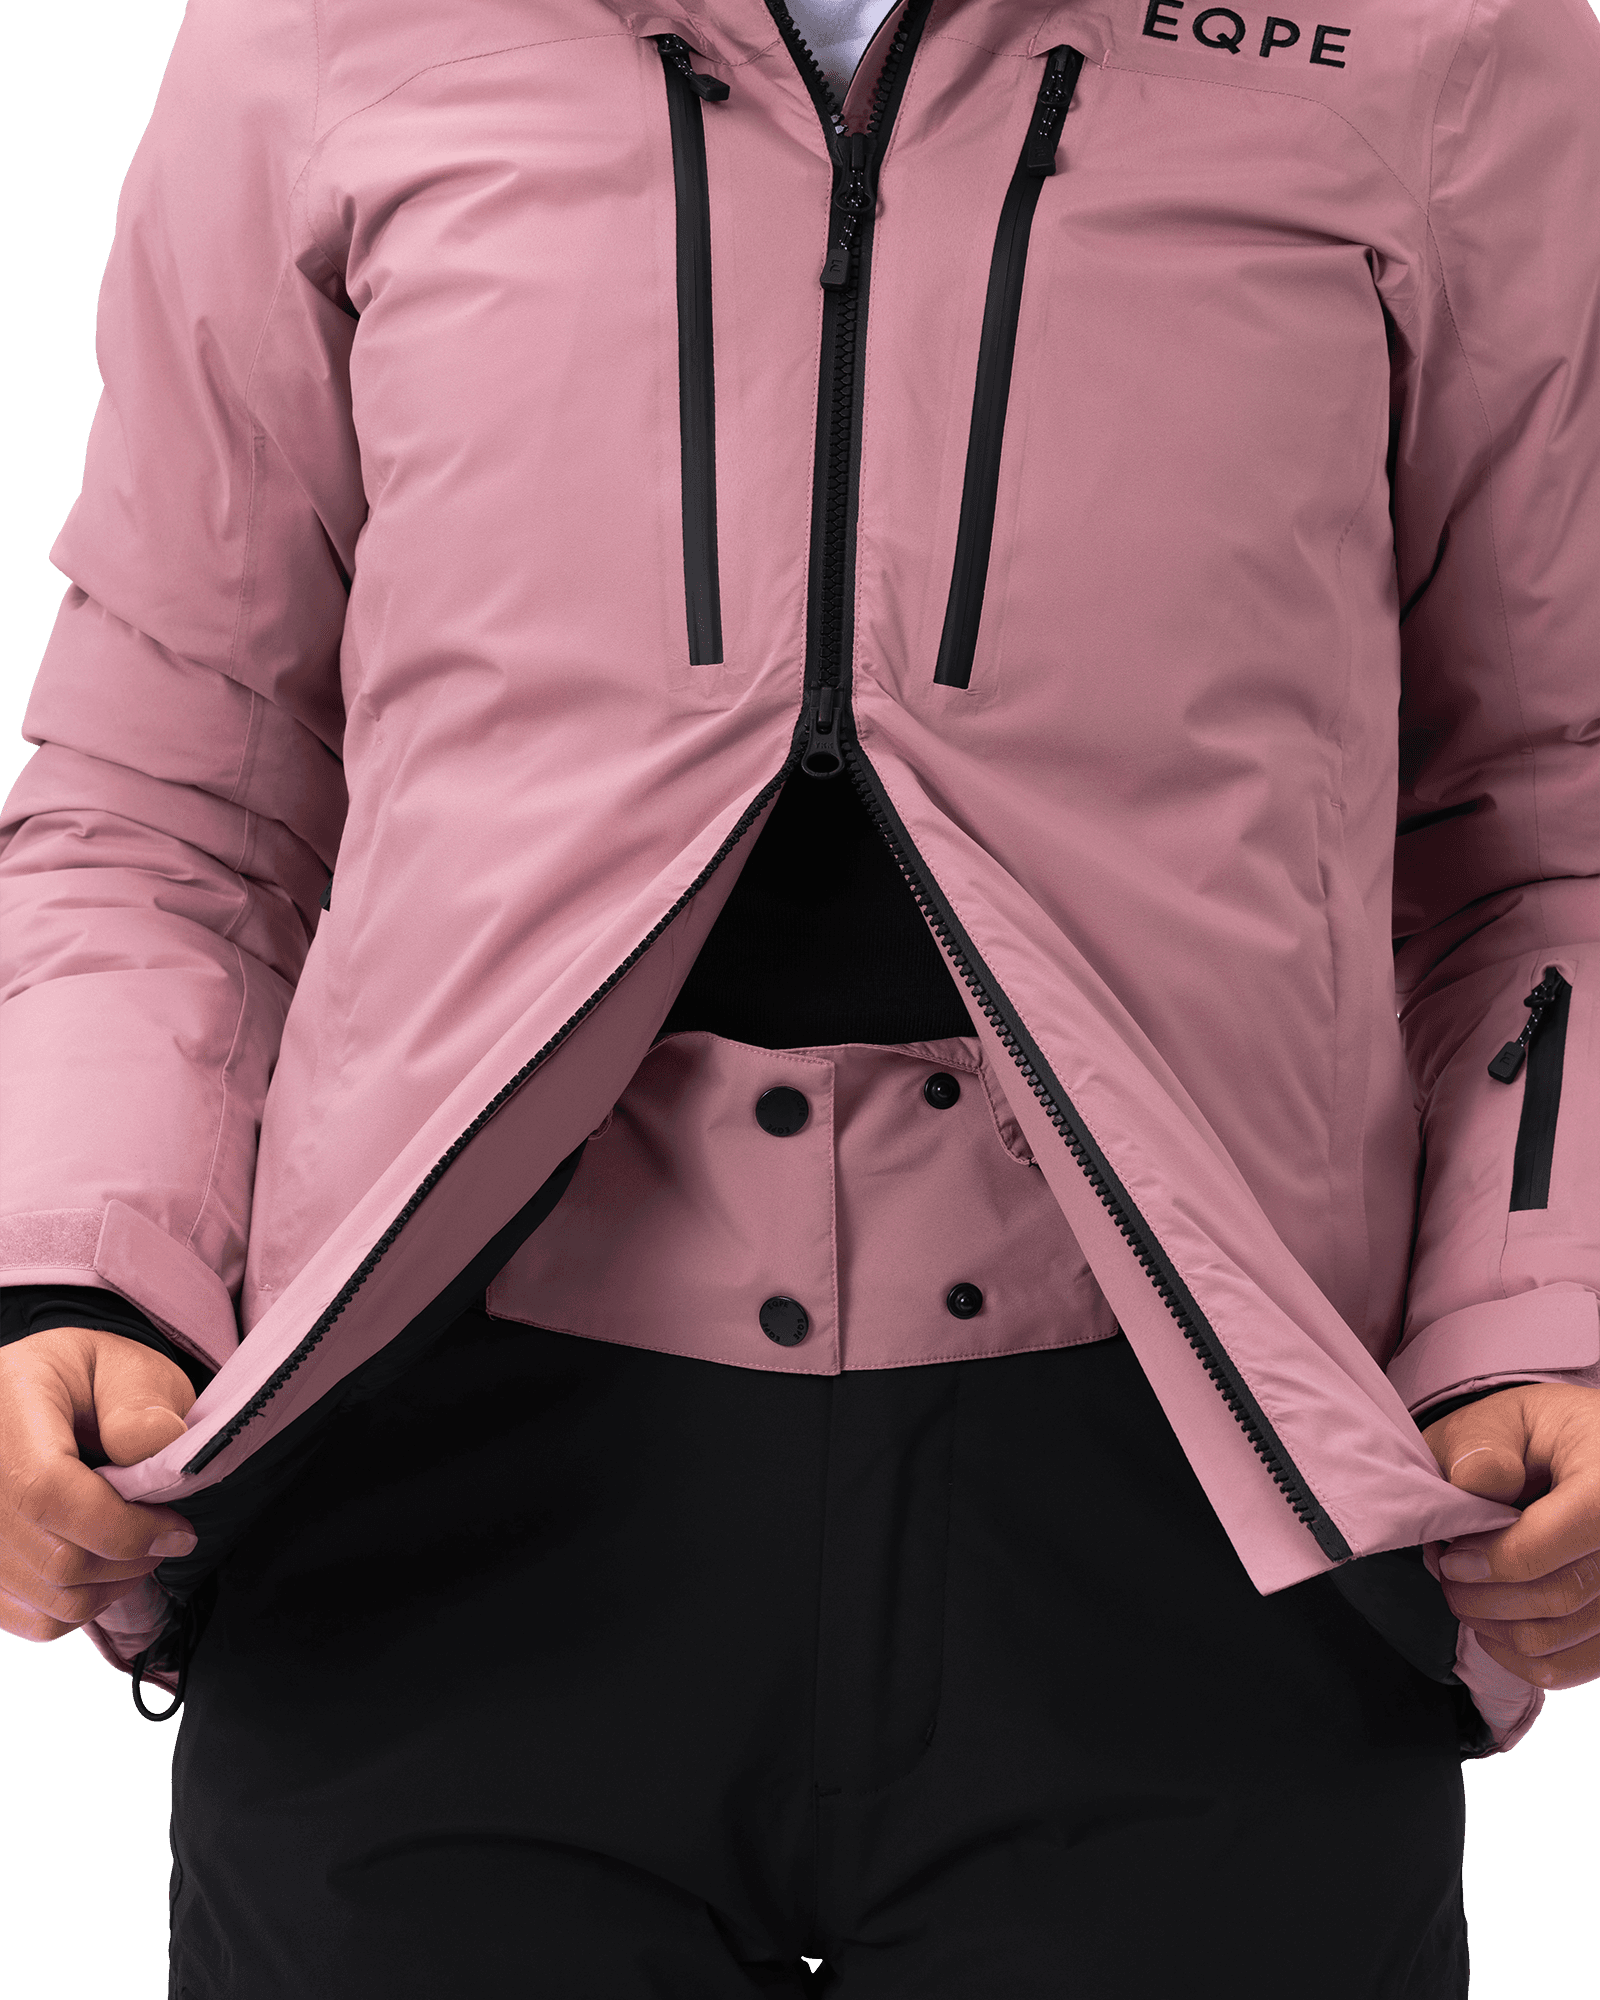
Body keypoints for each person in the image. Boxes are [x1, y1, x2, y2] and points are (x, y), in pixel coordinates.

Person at [2, 0, 1597, 1991]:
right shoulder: (316, 31)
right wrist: (78, 1274)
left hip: (1209, 1532)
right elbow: (168, 803)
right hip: (422, 1523)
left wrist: (1544, 1309)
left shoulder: (1453, 36)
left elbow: (1549, 825)